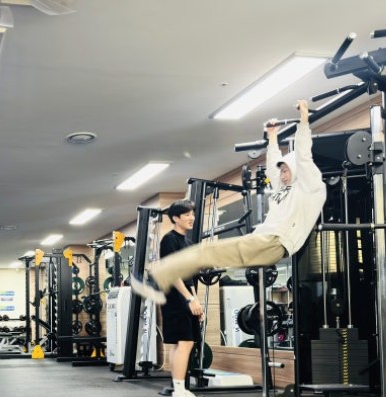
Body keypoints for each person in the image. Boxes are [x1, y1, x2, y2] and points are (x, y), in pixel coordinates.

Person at [131, 99, 326, 305]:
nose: (282, 174)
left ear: (297, 170)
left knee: (207, 251)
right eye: (282, 171)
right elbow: (271, 165)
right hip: (266, 240)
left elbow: (304, 155)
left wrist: (304, 118)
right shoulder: (282, 187)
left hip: (276, 242)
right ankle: (157, 280)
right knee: (206, 254)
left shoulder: (309, 187)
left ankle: (156, 281)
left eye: (286, 170)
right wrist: (272, 136)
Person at [159, 200, 207, 397]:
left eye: (192, 214)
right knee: (185, 343)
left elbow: (189, 278)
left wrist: (196, 300)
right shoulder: (169, 240)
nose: (191, 217)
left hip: (186, 297)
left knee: (180, 345)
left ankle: (180, 389)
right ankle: (178, 393)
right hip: (175, 298)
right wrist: (189, 299)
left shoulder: (187, 242)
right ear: (175, 218)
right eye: (186, 214)